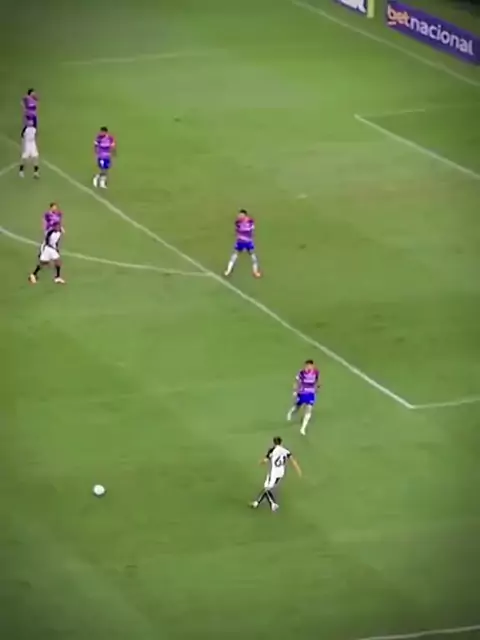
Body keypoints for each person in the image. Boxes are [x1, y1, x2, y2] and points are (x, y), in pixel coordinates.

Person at [250, 436, 301, 512]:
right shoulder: (285, 451)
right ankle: (257, 503)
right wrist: (298, 470)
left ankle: (272, 504)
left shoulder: (272, 450)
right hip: (281, 473)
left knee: (267, 488)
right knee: (268, 488)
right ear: (281, 442)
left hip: (273, 473)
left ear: (274, 443)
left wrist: (260, 462)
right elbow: (293, 461)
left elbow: (265, 460)